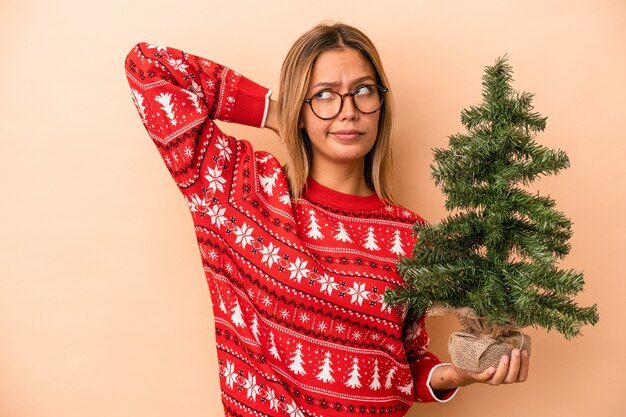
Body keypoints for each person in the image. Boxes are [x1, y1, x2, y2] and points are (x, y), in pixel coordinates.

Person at [124, 21, 529, 417]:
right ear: (299, 107)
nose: (348, 111)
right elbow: (147, 67)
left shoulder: (412, 236)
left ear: (380, 106)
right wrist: (275, 111)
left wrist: (457, 375)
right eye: (324, 95)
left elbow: (409, 362)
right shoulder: (239, 190)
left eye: (363, 91)